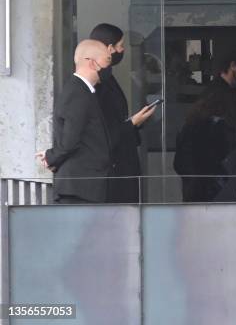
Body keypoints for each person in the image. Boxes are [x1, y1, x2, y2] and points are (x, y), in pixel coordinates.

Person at [35, 40, 113, 203]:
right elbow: (70, 139)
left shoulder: (82, 91)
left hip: (84, 188)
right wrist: (51, 156)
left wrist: (53, 157)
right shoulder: (77, 92)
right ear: (92, 63)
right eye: (107, 60)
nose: (110, 66)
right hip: (79, 191)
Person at [89, 23, 156, 203]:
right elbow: (103, 130)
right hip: (115, 166)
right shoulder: (98, 82)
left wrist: (135, 123)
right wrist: (132, 123)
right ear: (109, 49)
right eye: (120, 45)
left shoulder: (107, 78)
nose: (123, 49)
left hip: (121, 159)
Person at [174, 52, 236, 201]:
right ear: (233, 67)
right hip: (211, 184)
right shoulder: (226, 99)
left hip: (198, 182)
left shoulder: (208, 97)